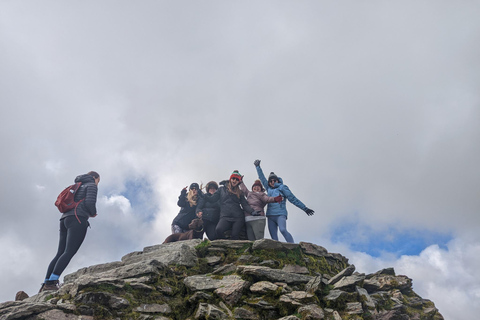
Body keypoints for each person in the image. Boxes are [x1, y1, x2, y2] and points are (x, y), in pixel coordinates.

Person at [40, 171, 100, 292]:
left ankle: (46, 283)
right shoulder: (91, 185)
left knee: (60, 252)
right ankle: (51, 282)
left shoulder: (78, 184)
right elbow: (90, 203)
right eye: (98, 180)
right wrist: (93, 213)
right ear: (94, 177)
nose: (98, 183)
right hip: (78, 218)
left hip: (64, 219)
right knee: (69, 252)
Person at [254, 159, 314, 243]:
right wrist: (257, 167)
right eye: (270, 181)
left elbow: (293, 199)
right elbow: (262, 178)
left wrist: (305, 208)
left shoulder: (282, 187)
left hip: (280, 214)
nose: (272, 182)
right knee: (274, 237)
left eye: (274, 180)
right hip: (270, 215)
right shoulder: (268, 189)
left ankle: (293, 248)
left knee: (283, 230)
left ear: (277, 180)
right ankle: (277, 254)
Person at [204, 170, 257, 240]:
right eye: (233, 179)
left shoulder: (240, 192)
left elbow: (245, 204)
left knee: (235, 235)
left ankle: (234, 250)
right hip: (225, 217)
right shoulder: (221, 189)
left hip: (238, 217)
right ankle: (225, 246)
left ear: (239, 182)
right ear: (230, 179)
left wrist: (252, 211)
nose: (234, 181)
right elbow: (212, 199)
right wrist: (203, 196)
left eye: (237, 179)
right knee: (218, 230)